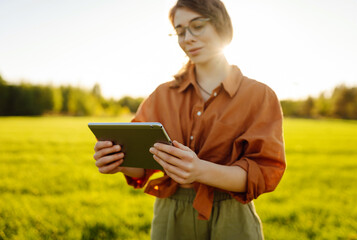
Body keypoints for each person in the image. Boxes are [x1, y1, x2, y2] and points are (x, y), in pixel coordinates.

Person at [93, 0, 286, 239]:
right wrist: (118, 161)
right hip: (171, 213)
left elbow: (263, 171)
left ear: (221, 26)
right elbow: (142, 164)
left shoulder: (259, 95)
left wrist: (201, 171)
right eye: (180, 31)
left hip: (231, 216)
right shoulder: (163, 95)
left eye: (197, 26)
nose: (187, 38)